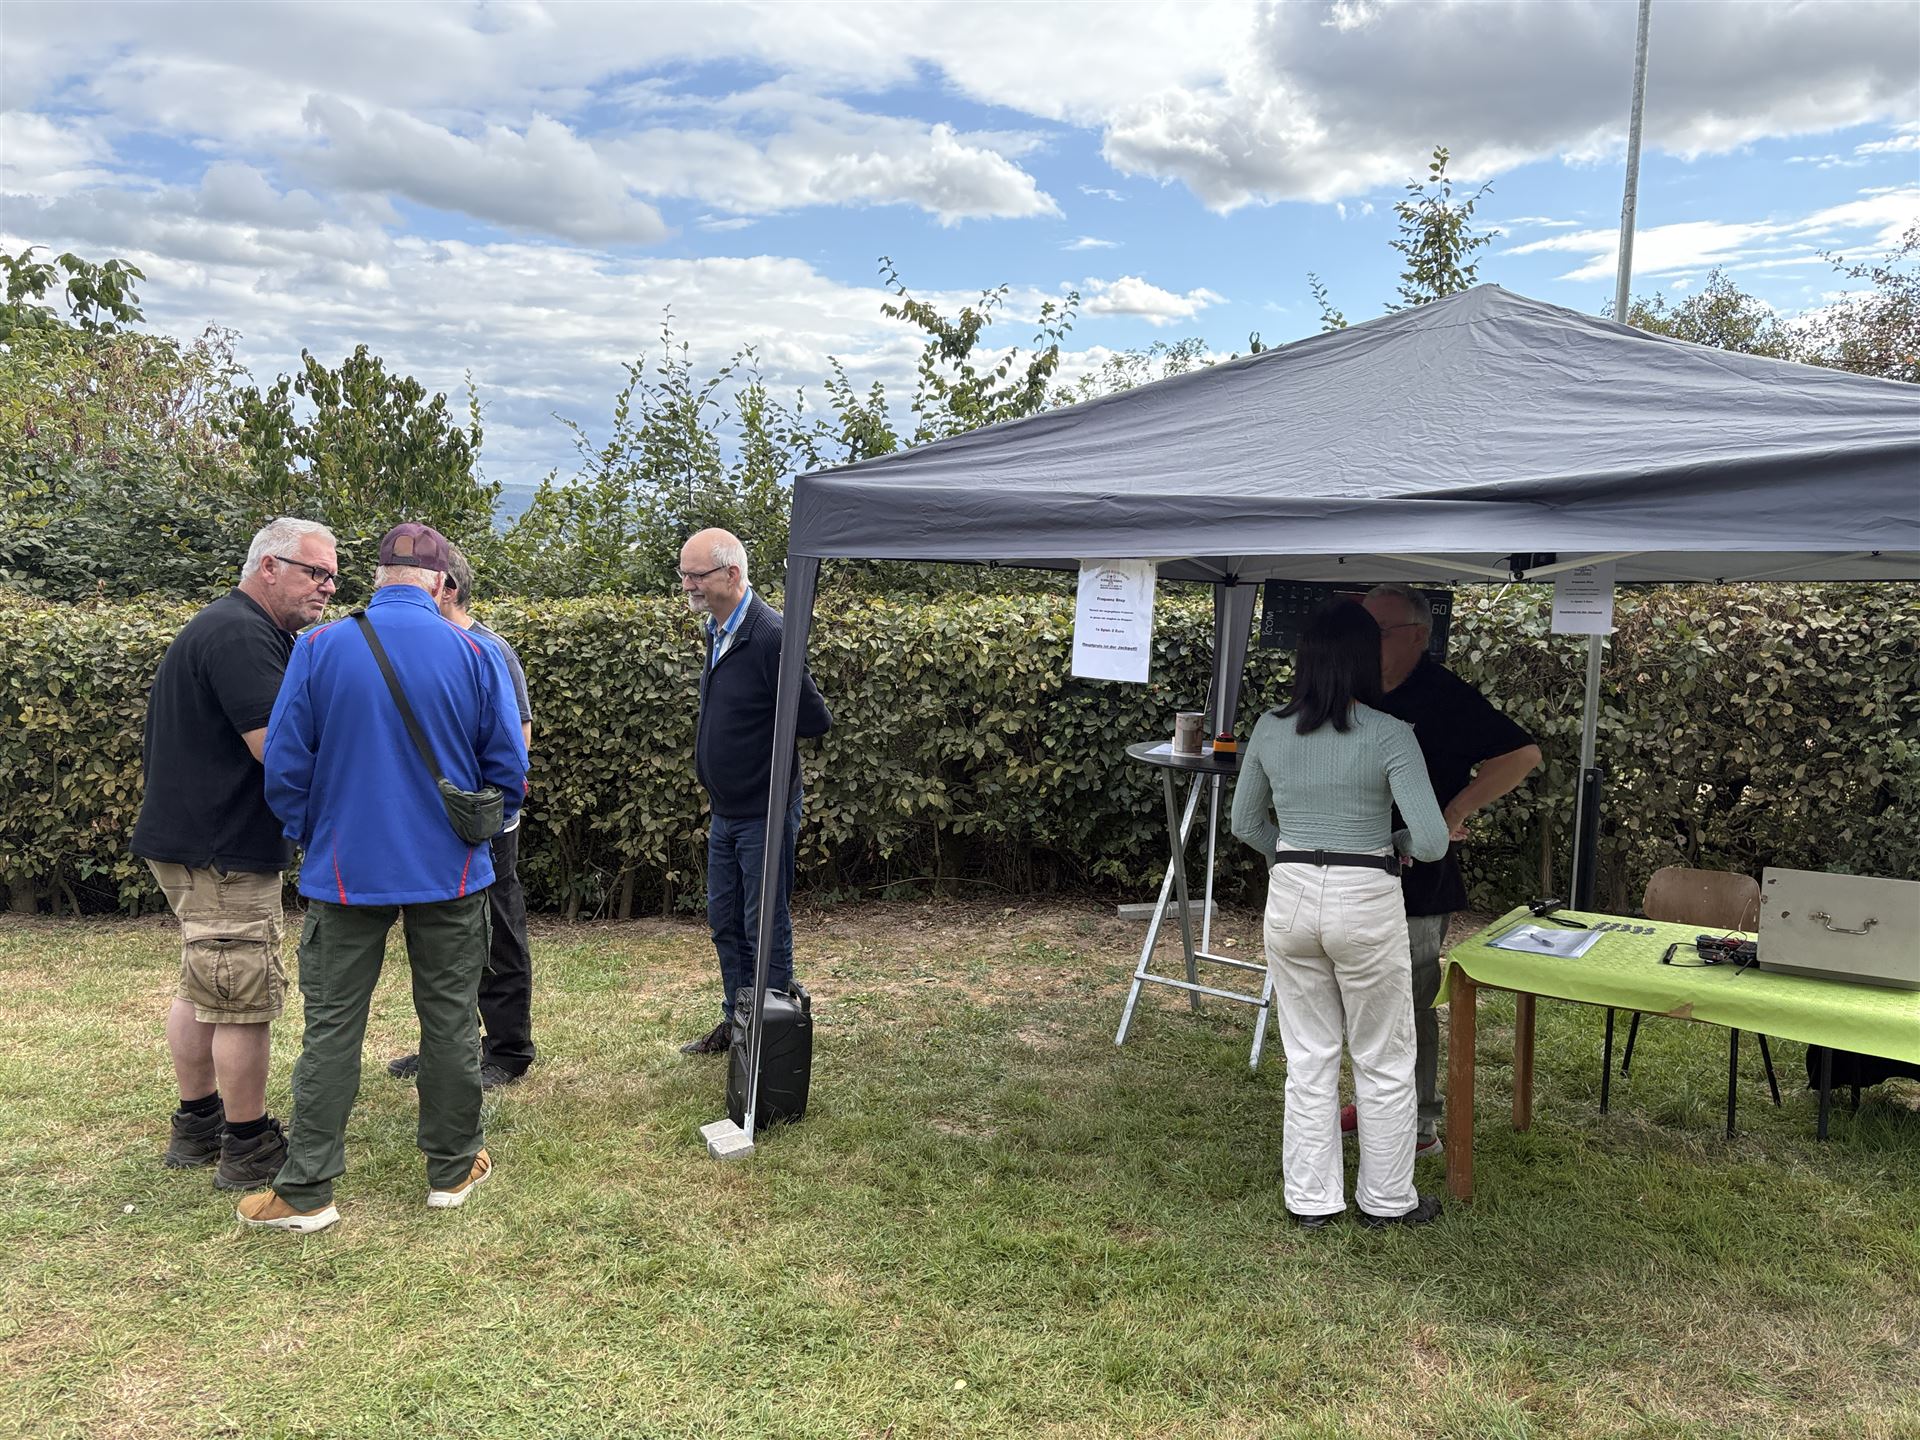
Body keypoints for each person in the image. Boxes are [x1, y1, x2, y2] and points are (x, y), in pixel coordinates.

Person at [238, 523, 527, 1233]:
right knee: (450, 1019)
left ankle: (306, 1190)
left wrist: (319, 831)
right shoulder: (474, 651)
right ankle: (453, 1168)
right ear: (440, 582)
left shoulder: (318, 647)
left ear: (376, 577)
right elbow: (508, 770)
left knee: (332, 1027)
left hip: (344, 869)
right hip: (450, 870)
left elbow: (286, 765)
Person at [133, 516, 339, 1193]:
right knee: (241, 997)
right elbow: (275, 749)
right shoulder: (242, 634)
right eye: (315, 571)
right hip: (222, 849)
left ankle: (197, 1124)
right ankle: (247, 1145)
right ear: (269, 566)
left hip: (196, 841)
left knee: (206, 984)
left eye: (333, 576)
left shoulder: (237, 627)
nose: (327, 587)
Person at [1231, 600, 1450, 1228]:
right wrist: (1395, 843)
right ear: (1364, 660)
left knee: (1309, 1055)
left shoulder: (1270, 729)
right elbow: (1432, 841)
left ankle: (1311, 1200)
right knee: (1383, 1055)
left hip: (1291, 893)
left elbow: (1246, 823)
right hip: (1366, 896)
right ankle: (1386, 1200)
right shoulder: (1389, 733)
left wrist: (1294, 854)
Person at [1356, 583, 1541, 1156]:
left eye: (1376, 631)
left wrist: (1452, 812)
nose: (1364, 642)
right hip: (1350, 869)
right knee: (1357, 999)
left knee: (1410, 999)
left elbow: (1522, 755)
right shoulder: (1350, 687)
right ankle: (1372, 1101)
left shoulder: (1445, 695)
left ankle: (1417, 1124)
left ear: (1416, 635)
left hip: (1418, 876)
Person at [676, 528, 831, 1055]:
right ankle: (737, 1021)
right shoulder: (718, 629)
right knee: (725, 921)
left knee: (763, 923)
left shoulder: (769, 635)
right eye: (684, 574)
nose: (688, 585)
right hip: (727, 809)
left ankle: (770, 1033)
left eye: (696, 575)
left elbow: (814, 719)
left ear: (732, 573)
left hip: (764, 808)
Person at [388, 544, 536, 1091]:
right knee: (439, 940)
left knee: (497, 933)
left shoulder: (490, 649)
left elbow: (519, 740)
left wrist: (486, 808)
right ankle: (449, 1044)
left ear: (446, 588)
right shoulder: (424, 649)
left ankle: (508, 1050)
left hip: (483, 824)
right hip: (430, 825)